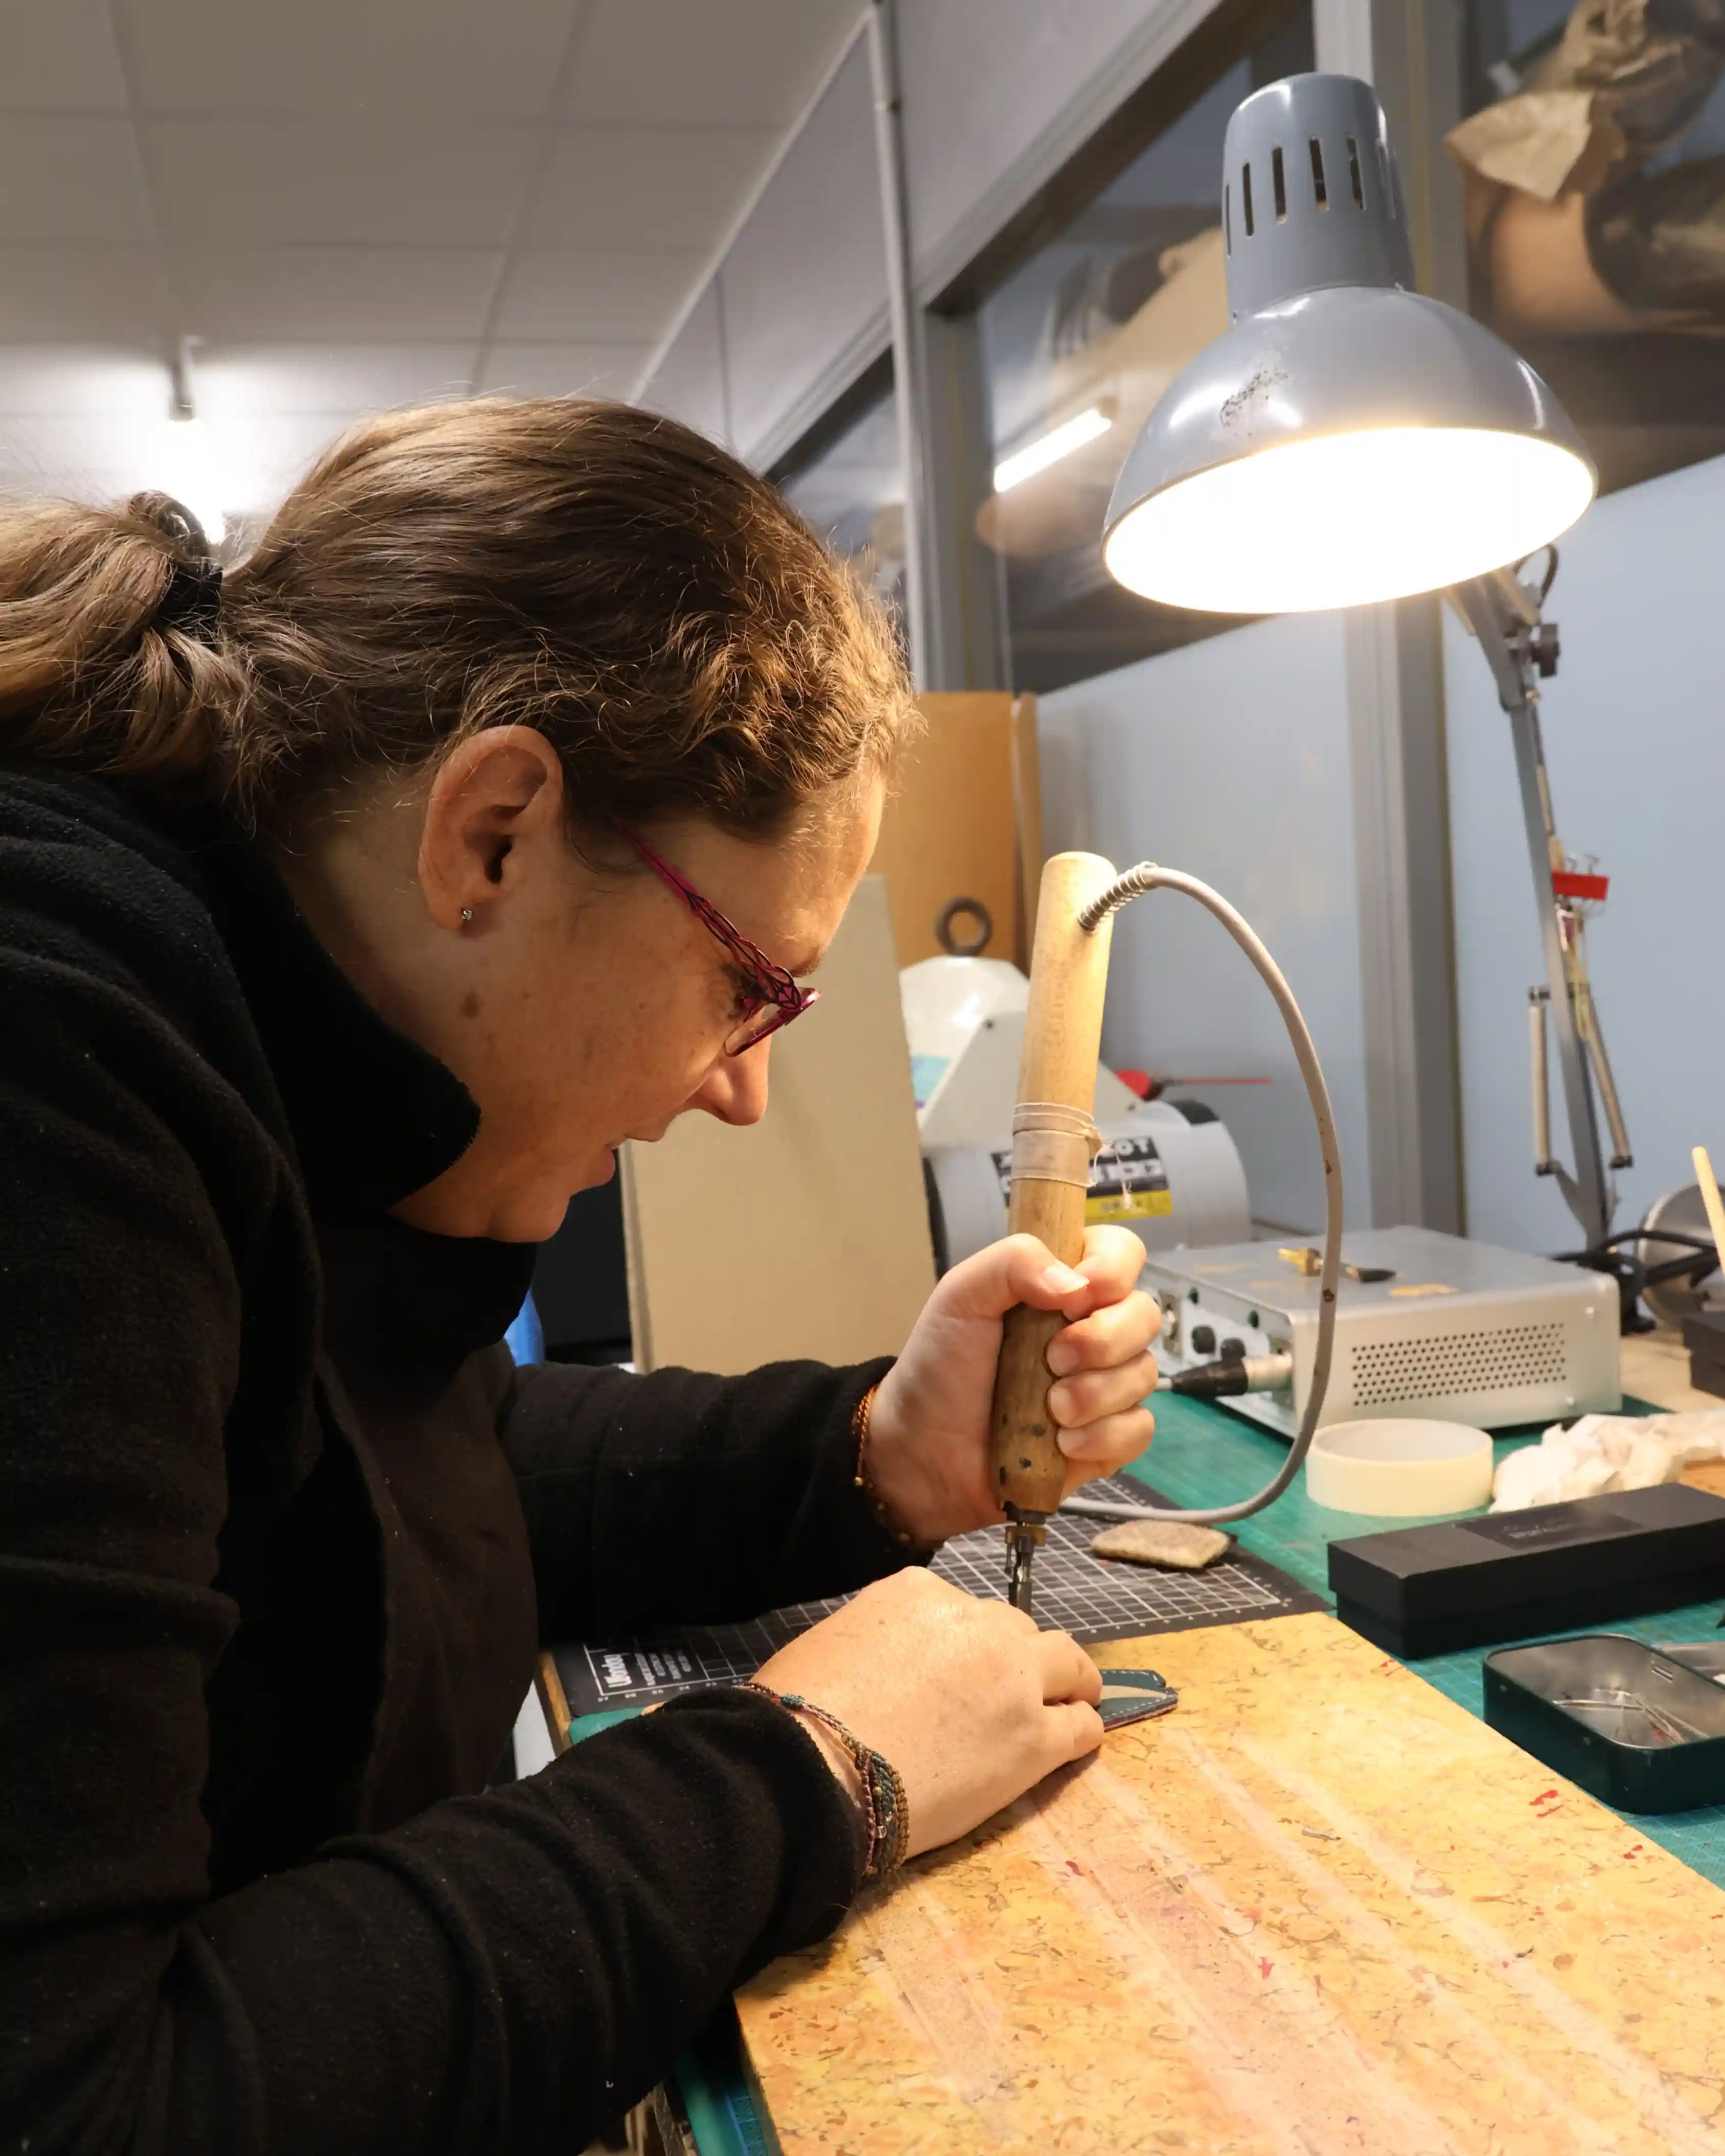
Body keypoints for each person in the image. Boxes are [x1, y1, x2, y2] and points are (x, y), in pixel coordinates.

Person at [0, 400, 1159, 2154]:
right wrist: (803, 1770)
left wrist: (872, 1450)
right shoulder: (49, 1062)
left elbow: (386, 1476)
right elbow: (86, 2105)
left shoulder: (263, 1030)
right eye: (749, 988)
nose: (743, 1087)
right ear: (494, 834)